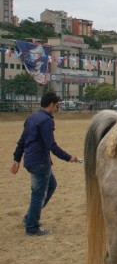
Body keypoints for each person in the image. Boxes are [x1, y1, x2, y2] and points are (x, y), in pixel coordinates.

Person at [11, 92, 79, 236]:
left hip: (30, 161)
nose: (56, 108)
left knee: (51, 185)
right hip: (40, 162)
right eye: (56, 106)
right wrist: (69, 157)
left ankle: (30, 217)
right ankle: (32, 227)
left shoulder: (31, 118)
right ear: (51, 104)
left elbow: (22, 141)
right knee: (38, 194)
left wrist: (16, 159)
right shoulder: (46, 121)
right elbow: (51, 145)